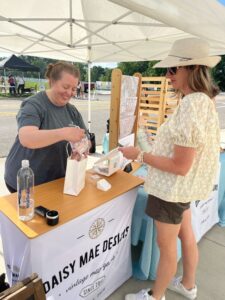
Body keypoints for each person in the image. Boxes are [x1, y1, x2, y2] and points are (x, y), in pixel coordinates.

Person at [120, 38, 221, 300]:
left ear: (192, 69)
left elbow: (179, 165)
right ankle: (188, 285)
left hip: (170, 190)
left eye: (173, 69)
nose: (167, 75)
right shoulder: (204, 101)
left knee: (166, 248)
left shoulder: (190, 104)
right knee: (187, 236)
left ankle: (156, 296)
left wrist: (140, 155)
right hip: (182, 190)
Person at [4, 61, 87, 193]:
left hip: (56, 181)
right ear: (52, 82)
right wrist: (64, 133)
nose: (70, 93)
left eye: (74, 89)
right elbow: (27, 138)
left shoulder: (72, 111)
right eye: (65, 87)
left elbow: (85, 137)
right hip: (26, 182)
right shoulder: (34, 104)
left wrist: (82, 148)